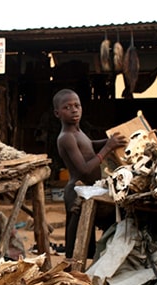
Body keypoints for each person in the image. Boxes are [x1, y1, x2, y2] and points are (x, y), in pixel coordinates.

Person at [54, 88, 128, 260]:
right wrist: (107, 148)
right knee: (77, 244)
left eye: (77, 105)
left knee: (86, 237)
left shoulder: (78, 132)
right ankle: (74, 277)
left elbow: (90, 145)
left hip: (88, 191)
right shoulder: (66, 137)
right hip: (76, 193)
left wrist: (110, 142)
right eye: (67, 107)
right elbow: (84, 169)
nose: (74, 110)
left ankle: (87, 274)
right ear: (57, 113)